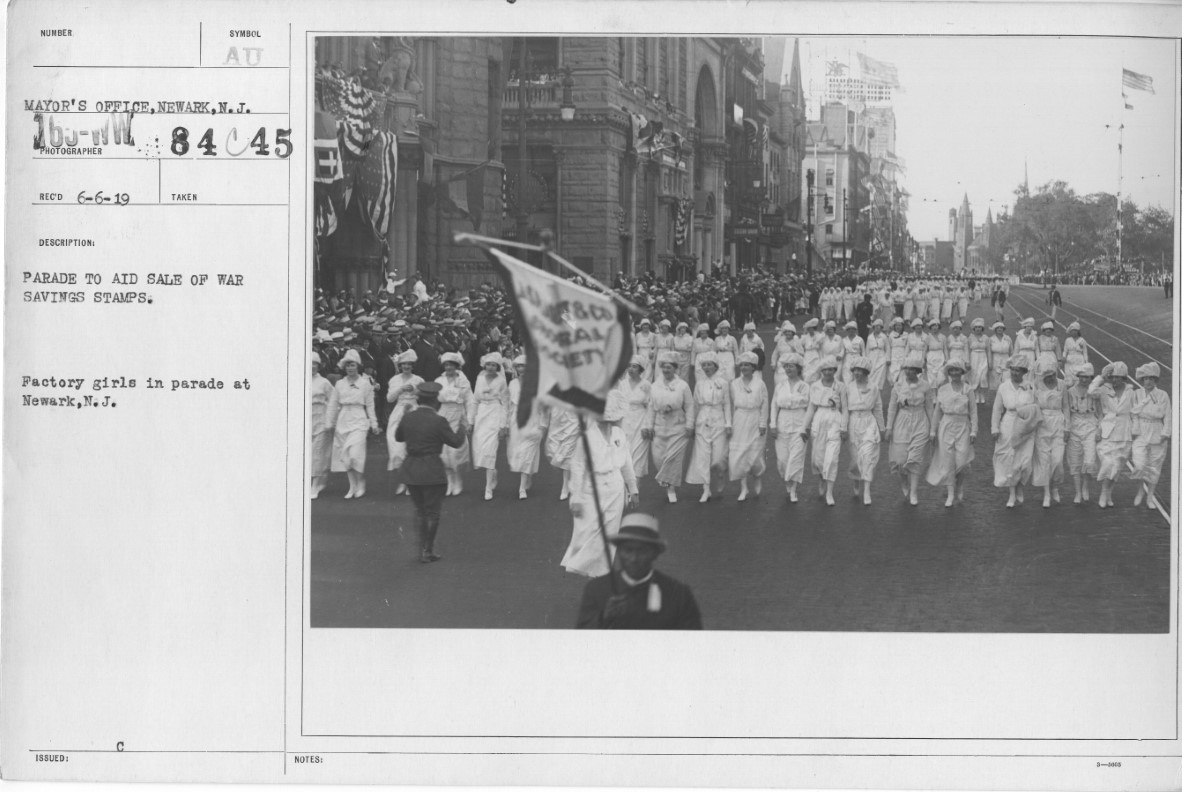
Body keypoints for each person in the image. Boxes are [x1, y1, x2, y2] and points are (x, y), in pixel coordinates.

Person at [576, 513, 703, 630]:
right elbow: (580, 640)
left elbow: (693, 643)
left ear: (655, 554)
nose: (634, 559)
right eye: (628, 550)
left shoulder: (679, 595)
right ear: (619, 552)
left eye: (642, 551)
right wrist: (603, 618)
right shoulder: (596, 589)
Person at [562, 391, 639, 578]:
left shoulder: (619, 434)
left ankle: (601, 577)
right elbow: (578, 468)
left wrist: (633, 488)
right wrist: (576, 498)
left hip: (615, 488)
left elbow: (627, 463)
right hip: (592, 490)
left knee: (609, 535)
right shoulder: (586, 438)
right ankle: (583, 566)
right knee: (589, 533)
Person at [394, 381, 466, 563]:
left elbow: (398, 437)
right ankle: (428, 549)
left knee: (420, 511)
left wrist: (404, 416)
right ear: (436, 402)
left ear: (419, 400)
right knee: (432, 512)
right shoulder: (439, 421)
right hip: (432, 469)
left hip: (411, 469)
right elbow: (456, 442)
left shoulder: (408, 417)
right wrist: (463, 428)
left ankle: (422, 548)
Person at [326, 348, 380, 499]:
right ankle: (352, 486)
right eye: (348, 365)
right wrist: (330, 422)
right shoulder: (339, 384)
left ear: (358, 366)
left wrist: (374, 424)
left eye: (353, 365)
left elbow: (370, 405)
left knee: (355, 454)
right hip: (343, 419)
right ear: (344, 367)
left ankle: (360, 481)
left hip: (359, 419)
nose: (350, 368)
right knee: (346, 456)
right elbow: (332, 404)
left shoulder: (365, 384)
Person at [926, 358, 977, 507]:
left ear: (962, 372)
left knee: (961, 460)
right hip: (946, 426)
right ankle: (950, 493)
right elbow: (937, 412)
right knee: (948, 460)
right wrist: (933, 432)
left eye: (957, 370)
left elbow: (973, 412)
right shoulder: (942, 389)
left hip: (963, 426)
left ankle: (959, 484)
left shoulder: (968, 389)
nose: (954, 373)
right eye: (951, 370)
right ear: (948, 373)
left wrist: (974, 431)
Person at [645, 352, 695, 503]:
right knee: (658, 458)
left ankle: (671, 488)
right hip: (660, 425)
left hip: (677, 426)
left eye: (669, 367)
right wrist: (649, 425)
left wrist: (689, 425)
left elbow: (690, 406)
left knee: (673, 458)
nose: (666, 370)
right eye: (664, 368)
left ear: (675, 369)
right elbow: (651, 407)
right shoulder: (654, 386)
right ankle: (666, 480)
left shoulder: (683, 385)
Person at [991, 355, 1038, 509]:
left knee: (1024, 462)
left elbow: (1037, 406)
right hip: (1009, 424)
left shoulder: (1031, 386)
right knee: (1010, 460)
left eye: (1018, 370)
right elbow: (997, 409)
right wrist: (995, 428)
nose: (1015, 373)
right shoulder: (1003, 387)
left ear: (1024, 372)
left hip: (1026, 426)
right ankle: (1012, 493)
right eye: (1013, 370)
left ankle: (1020, 485)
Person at [886, 352, 932, 506]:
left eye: (913, 369)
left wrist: (933, 430)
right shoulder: (898, 386)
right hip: (902, 422)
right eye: (907, 368)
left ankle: (913, 492)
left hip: (920, 421)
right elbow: (892, 407)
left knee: (915, 459)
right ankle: (903, 480)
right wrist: (889, 427)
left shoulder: (925, 386)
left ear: (918, 371)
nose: (909, 371)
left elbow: (930, 408)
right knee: (900, 459)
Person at [801, 355, 847, 506]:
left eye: (831, 369)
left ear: (835, 370)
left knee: (832, 458)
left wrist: (844, 427)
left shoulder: (840, 386)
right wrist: (804, 427)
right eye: (825, 369)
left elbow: (845, 409)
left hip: (835, 418)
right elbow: (810, 408)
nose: (828, 372)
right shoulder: (814, 386)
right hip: (819, 419)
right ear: (821, 370)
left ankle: (829, 492)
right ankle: (822, 477)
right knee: (817, 458)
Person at [1088, 361, 1134, 508]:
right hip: (1106, 430)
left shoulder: (1131, 392)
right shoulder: (1103, 389)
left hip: (1125, 431)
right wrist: (1101, 376)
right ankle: (1104, 491)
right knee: (1108, 463)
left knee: (1118, 466)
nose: (1114, 380)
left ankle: (1108, 493)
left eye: (1118, 377)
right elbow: (1090, 391)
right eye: (1112, 377)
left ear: (1124, 378)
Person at [687, 352, 732, 502]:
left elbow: (726, 404)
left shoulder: (723, 383)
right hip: (702, 421)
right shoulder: (699, 384)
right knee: (702, 456)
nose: (706, 368)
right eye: (704, 365)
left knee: (718, 457)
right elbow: (694, 405)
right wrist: (691, 424)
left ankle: (720, 474)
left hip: (719, 419)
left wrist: (728, 424)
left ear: (715, 366)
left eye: (709, 365)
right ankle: (706, 489)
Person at [506, 355, 548, 500]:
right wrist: (505, 424)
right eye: (518, 366)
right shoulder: (512, 384)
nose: (521, 369)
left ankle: (522, 487)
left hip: (532, 420)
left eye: (524, 366)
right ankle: (528, 474)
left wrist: (543, 426)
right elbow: (508, 405)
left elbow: (543, 407)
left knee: (527, 453)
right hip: (515, 421)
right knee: (515, 454)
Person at [728, 351, 769, 501]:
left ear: (753, 367)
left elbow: (765, 404)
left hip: (755, 419)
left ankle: (757, 475)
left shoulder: (760, 383)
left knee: (755, 453)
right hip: (739, 419)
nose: (744, 367)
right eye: (742, 365)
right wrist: (730, 423)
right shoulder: (734, 383)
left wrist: (763, 422)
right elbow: (732, 405)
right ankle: (743, 487)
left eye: (747, 365)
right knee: (739, 454)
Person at [770, 353, 810, 502]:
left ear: (798, 368)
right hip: (782, 423)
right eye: (786, 366)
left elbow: (809, 408)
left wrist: (806, 427)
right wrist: (772, 424)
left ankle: (793, 490)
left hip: (799, 424)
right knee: (782, 460)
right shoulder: (780, 385)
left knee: (796, 458)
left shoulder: (805, 386)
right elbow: (774, 405)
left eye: (791, 366)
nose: (788, 369)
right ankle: (788, 481)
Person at [845, 356, 885, 506]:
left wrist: (881, 428)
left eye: (860, 371)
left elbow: (878, 408)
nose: (857, 373)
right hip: (854, 422)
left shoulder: (873, 387)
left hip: (869, 422)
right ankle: (856, 480)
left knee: (867, 457)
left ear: (866, 372)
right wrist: (843, 427)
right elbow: (844, 409)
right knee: (856, 458)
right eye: (855, 370)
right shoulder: (848, 387)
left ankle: (867, 490)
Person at [1130, 362, 1171, 510]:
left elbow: (1168, 416)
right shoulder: (1136, 394)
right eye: (1145, 379)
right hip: (1141, 430)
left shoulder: (1163, 395)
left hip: (1157, 431)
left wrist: (1165, 433)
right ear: (1142, 380)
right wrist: (1135, 429)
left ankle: (1150, 496)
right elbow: (1133, 414)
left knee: (1154, 466)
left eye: (1151, 379)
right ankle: (1141, 490)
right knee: (1140, 464)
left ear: (1156, 380)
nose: (1148, 382)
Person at [384, 349, 425, 495]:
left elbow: (424, 396)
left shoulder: (418, 379)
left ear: (413, 366)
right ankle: (403, 479)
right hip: (399, 411)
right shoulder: (394, 380)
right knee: (396, 446)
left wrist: (414, 391)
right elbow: (389, 399)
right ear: (400, 366)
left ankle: (411, 481)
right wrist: (400, 389)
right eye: (404, 364)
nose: (406, 367)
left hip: (413, 410)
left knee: (411, 447)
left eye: (409, 364)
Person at [1031, 360, 1067, 508]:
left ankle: (1055, 486)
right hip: (1042, 424)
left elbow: (1065, 406)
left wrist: (1068, 427)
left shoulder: (1062, 385)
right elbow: (1034, 406)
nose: (1049, 378)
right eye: (1046, 375)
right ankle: (1046, 493)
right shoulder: (1037, 385)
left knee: (1057, 461)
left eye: (1052, 374)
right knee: (1044, 460)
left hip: (1059, 422)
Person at [435, 351, 473, 496]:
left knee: (454, 451)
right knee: (443, 451)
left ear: (456, 366)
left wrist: (470, 420)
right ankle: (449, 481)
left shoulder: (463, 381)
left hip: (458, 414)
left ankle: (457, 480)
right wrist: (452, 395)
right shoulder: (439, 380)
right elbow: (438, 397)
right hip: (443, 414)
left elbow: (469, 400)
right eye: (446, 365)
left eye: (451, 365)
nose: (448, 367)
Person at [1065, 362, 1099, 504]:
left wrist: (1100, 428)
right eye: (1082, 377)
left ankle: (1085, 486)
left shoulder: (1096, 392)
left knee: (1089, 460)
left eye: (1088, 377)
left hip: (1091, 425)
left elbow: (1101, 411)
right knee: (1075, 461)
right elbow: (1066, 411)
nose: (1084, 380)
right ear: (1078, 377)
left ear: (1091, 378)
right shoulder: (1070, 392)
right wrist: (1066, 428)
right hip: (1075, 425)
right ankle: (1078, 492)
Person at [617, 357, 653, 480]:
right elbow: (618, 404)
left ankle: (634, 490)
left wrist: (648, 426)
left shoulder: (646, 385)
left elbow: (650, 406)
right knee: (624, 455)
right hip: (625, 423)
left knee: (638, 457)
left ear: (640, 370)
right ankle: (625, 488)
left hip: (641, 423)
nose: (630, 369)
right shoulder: (622, 384)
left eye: (634, 366)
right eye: (629, 366)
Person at [310, 353, 334, 499]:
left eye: (315, 364)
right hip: (304, 417)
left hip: (320, 417)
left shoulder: (324, 382)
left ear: (319, 366)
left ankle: (315, 485)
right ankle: (315, 479)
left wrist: (330, 421)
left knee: (317, 452)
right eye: (310, 363)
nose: (312, 367)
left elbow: (333, 401)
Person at [547, 401, 581, 500]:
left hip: (575, 418)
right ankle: (570, 483)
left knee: (568, 451)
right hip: (561, 416)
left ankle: (565, 487)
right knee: (560, 452)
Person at [987, 321, 1013, 394]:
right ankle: (998, 397)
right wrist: (990, 362)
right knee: (996, 380)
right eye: (997, 328)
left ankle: (1006, 397)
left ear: (1003, 329)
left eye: (1001, 328)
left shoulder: (1008, 338)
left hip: (1006, 360)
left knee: (1006, 379)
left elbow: (1011, 351)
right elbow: (989, 351)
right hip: (995, 360)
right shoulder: (991, 339)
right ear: (995, 329)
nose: (999, 329)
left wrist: (1012, 362)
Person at [865, 318, 889, 391]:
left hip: (881, 355)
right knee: (871, 372)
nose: (878, 328)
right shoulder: (869, 337)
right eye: (876, 326)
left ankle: (877, 388)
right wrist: (866, 359)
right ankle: (870, 388)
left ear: (881, 328)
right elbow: (867, 349)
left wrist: (888, 358)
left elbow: (887, 348)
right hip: (872, 355)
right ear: (873, 327)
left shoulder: (884, 336)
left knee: (880, 373)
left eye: (879, 327)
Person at [887, 317, 908, 388]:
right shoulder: (891, 335)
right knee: (893, 372)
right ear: (894, 326)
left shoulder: (906, 335)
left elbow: (908, 347)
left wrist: (906, 358)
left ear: (902, 326)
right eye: (896, 325)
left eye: (900, 325)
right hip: (894, 355)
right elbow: (889, 347)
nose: (898, 327)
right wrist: (888, 358)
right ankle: (894, 390)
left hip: (903, 354)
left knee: (902, 373)